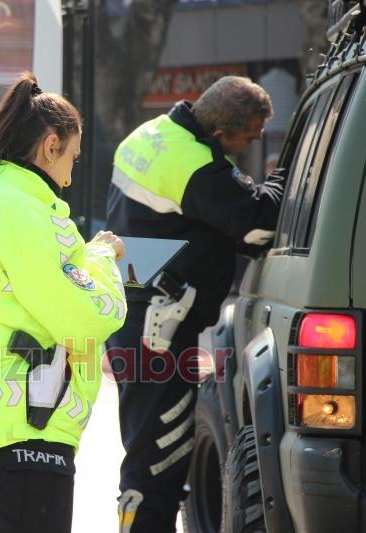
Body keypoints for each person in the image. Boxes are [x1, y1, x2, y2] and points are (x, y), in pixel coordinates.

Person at [0, 73, 127, 533]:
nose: (71, 175)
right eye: (72, 158)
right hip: (24, 427)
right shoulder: (23, 208)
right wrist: (100, 256)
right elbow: (87, 316)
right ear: (50, 145)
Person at [105, 75, 284, 532]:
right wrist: (286, 175)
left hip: (136, 315)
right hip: (159, 331)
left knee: (147, 450)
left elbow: (200, 223)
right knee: (161, 455)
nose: (250, 146)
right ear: (220, 134)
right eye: (248, 138)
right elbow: (257, 224)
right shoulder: (196, 165)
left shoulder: (150, 135)